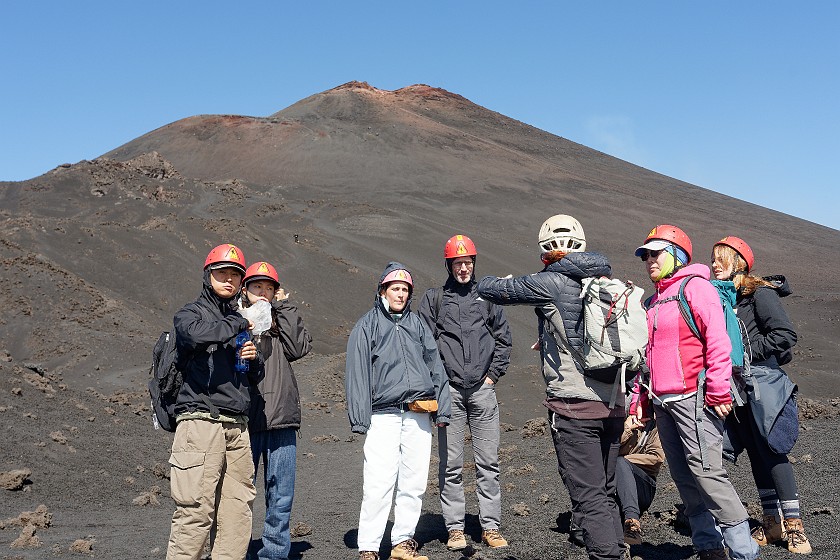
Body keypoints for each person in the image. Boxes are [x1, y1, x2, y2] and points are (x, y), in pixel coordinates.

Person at [477, 214, 627, 560]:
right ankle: (618, 550)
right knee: (605, 490)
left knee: (587, 495)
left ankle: (607, 555)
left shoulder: (554, 281)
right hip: (613, 402)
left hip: (575, 407)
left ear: (546, 246)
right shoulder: (605, 279)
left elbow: (494, 291)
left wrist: (494, 281)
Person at [631, 225, 759, 560]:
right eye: (645, 255)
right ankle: (708, 548)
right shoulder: (653, 300)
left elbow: (718, 341)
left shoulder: (696, 288)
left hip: (695, 397)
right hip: (663, 402)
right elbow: (648, 356)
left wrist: (718, 392)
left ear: (676, 255)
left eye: (656, 253)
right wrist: (641, 400)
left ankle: (744, 551)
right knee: (685, 477)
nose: (649, 260)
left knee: (708, 473)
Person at [345, 262, 453, 560]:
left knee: (414, 482)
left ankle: (403, 542)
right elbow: (357, 373)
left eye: (405, 290)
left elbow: (435, 366)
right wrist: (359, 418)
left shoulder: (417, 325)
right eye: (395, 288)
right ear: (382, 290)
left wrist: (442, 410)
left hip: (418, 413)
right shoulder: (366, 325)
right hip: (383, 415)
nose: (401, 294)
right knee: (378, 482)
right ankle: (368, 546)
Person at [712, 236, 812, 554]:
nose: (713, 263)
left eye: (720, 258)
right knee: (756, 453)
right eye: (712, 258)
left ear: (738, 261)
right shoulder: (723, 300)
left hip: (764, 385)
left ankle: (795, 527)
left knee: (771, 451)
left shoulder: (759, 294)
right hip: (737, 389)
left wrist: (745, 352)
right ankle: (771, 523)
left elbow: (785, 334)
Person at [166, 243, 264, 560]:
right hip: (200, 423)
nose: (229, 280)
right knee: (195, 512)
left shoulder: (236, 322)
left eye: (235, 275)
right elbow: (195, 336)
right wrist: (240, 322)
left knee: (238, 515)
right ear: (208, 276)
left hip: (237, 426)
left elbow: (248, 375)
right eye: (222, 273)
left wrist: (252, 360)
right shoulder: (190, 314)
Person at [417, 235, 512, 551]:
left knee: (489, 464)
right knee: (450, 465)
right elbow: (424, 345)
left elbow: (503, 340)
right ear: (449, 265)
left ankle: (491, 527)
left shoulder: (487, 298)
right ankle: (455, 529)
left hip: (482, 393)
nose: (463, 268)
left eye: (468, 262)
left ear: (474, 263)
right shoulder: (435, 299)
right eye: (457, 263)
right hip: (450, 395)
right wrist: (437, 384)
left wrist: (492, 376)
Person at [240, 261, 313, 560]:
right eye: (257, 287)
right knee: (239, 495)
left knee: (280, 495)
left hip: (281, 418)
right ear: (245, 291)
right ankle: (235, 551)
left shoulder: (279, 328)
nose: (263, 294)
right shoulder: (235, 323)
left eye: (269, 288)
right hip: (244, 421)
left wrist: (285, 307)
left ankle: (274, 554)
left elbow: (301, 347)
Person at [569, 409, 664, 548]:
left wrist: (622, 461)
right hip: (614, 484)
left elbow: (656, 458)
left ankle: (632, 522)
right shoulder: (619, 420)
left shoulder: (659, 425)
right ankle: (585, 523)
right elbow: (604, 449)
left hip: (643, 486)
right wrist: (626, 430)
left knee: (620, 463)